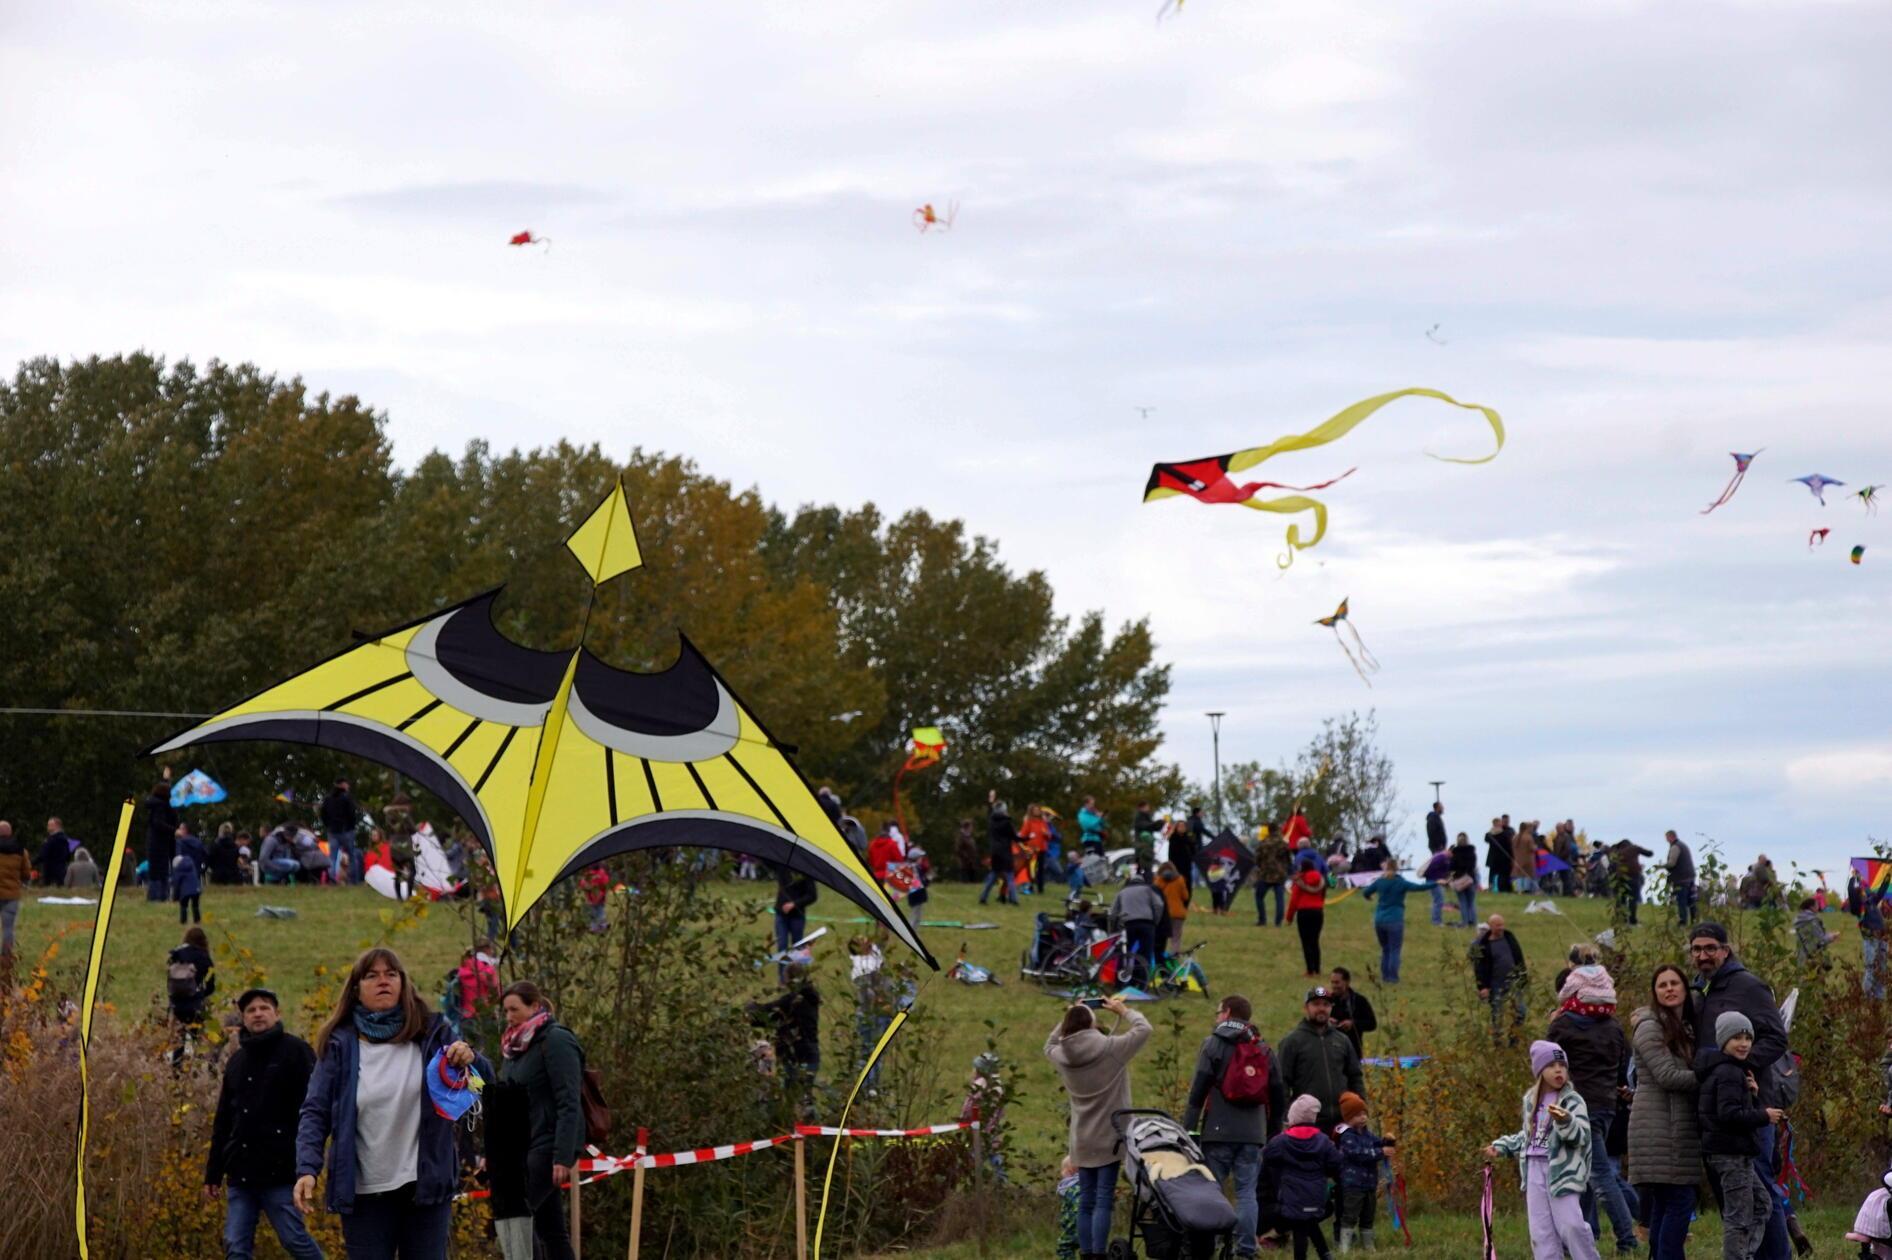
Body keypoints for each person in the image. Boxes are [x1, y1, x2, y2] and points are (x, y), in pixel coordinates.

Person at [294, 947, 483, 1256]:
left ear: (403, 983)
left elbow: (479, 1082)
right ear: (356, 990)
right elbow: (315, 1112)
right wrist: (306, 1169)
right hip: (364, 1194)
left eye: (391, 974)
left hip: (425, 1187)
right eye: (372, 976)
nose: (383, 981)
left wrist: (470, 1059)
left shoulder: (434, 1034)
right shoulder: (339, 1046)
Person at [1687, 922, 1792, 1260]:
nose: (1703, 955)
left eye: (1710, 948)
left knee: (1760, 1186)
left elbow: (1776, 1037)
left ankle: (1774, 1256)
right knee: (1731, 1193)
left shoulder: (1748, 987)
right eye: (1697, 949)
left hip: (1752, 1105)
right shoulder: (1702, 990)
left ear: (1725, 950)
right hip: (1716, 1110)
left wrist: (1740, 1065)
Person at [205, 988, 325, 1260]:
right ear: (243, 1018)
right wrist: (213, 1172)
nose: (258, 1014)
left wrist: (310, 1162)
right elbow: (224, 1119)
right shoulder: (237, 1061)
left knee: (295, 1240)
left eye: (264, 1008)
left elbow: (316, 1108)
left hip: (281, 1172)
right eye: (250, 1010)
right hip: (241, 1172)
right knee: (235, 1245)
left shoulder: (296, 1051)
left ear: (277, 1013)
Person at [1046, 995, 1151, 1260]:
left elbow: (1049, 1045)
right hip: (1110, 1135)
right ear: (1092, 1025)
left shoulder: (1063, 1055)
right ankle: (1099, 1254)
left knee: (1086, 1200)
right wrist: (1122, 1010)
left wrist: (1069, 1016)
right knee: (1104, 1198)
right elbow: (1144, 1029)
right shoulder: (1112, 1049)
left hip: (1081, 1137)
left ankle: (1087, 1254)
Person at [1180, 994, 1283, 1260]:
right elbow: (1278, 1093)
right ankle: (1245, 1250)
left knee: (1212, 1192)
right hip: (1253, 1134)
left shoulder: (1212, 1044)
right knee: (1247, 1194)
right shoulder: (1263, 1048)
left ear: (1226, 1012)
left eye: (1218, 1012)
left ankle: (1211, 1245)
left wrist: (1187, 1130)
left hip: (1218, 1132)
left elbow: (1197, 1092)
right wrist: (1271, 1130)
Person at [1547, 965, 1637, 1254]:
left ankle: (1627, 1238)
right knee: (1583, 1172)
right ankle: (1589, 1231)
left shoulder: (1562, 1026)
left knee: (1599, 1175)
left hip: (1575, 1106)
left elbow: (1548, 1065)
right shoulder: (1613, 1026)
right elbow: (1624, 1064)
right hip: (1606, 1106)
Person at [1484, 1041, 1602, 1260]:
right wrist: (1503, 1146)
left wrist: (1565, 1120)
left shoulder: (1573, 1100)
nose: (1558, 1070)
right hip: (1534, 1170)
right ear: (1540, 1070)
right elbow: (1527, 1135)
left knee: (1571, 1226)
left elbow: (1582, 1137)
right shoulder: (1531, 1100)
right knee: (1541, 1232)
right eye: (1552, 1065)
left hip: (1562, 1171)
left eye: (1562, 1065)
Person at [497, 982, 584, 1260]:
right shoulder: (514, 1047)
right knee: (551, 1230)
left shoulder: (556, 1040)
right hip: (523, 1147)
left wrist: (563, 1155)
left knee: (514, 1218)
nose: (509, 1016)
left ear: (535, 1006)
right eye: (505, 1010)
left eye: (515, 1009)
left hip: (548, 1145)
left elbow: (569, 1100)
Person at [1699, 1012, 1787, 1260]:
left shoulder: (1735, 1072)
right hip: (1729, 1153)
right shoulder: (1727, 1072)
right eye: (1737, 1037)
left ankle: (1745, 1254)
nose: (1744, 1043)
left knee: (1761, 1204)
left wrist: (1754, 1097)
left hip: (1738, 1151)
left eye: (1748, 1038)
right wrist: (1763, 1115)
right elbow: (1728, 1115)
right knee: (1738, 1216)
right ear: (1723, 1041)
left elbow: (1736, 1110)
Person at [1627, 965, 1700, 1260]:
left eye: (1674, 983)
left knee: (1664, 1204)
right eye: (1662, 985)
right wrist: (1711, 1075)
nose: (1669, 989)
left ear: (1684, 988)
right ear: (1655, 993)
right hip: (1659, 1126)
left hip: (1673, 1123)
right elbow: (1667, 1075)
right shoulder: (1650, 1027)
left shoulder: (1684, 1026)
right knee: (1680, 1201)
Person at [1261, 1094, 1341, 1260]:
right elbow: (1336, 1163)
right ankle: (1325, 1254)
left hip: (1292, 1196)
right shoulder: (1323, 1140)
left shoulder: (1282, 1141)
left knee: (1300, 1228)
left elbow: (1267, 1155)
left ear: (1293, 1117)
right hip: (1317, 1195)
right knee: (1308, 1221)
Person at [1278, 986, 1364, 1132]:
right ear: (1306, 1007)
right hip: (1308, 1122)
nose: (1321, 1009)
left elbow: (1355, 1077)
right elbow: (1282, 1082)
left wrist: (1360, 1110)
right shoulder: (1292, 1041)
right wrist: (1286, 1115)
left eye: (1326, 1004)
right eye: (1316, 1004)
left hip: (1342, 1123)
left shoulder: (1342, 1040)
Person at [749, 963, 822, 1100]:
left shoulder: (791, 1001)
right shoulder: (810, 998)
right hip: (811, 1055)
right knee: (805, 1100)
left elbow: (768, 1014)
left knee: (793, 1100)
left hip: (795, 1057)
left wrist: (750, 1008)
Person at [1334, 1091, 1393, 1253]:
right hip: (1353, 1184)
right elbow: (1358, 1154)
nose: (1363, 1117)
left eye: (1364, 1113)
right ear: (1348, 1117)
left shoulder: (1367, 1134)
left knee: (1368, 1215)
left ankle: (1368, 1244)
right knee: (1350, 1215)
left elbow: (1376, 1144)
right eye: (1358, 1115)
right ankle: (1344, 1245)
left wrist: (1386, 1142)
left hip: (1369, 1184)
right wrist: (1381, 1152)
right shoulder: (1347, 1137)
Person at [1473, 914, 1528, 1035]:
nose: (1501, 927)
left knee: (1521, 1011)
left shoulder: (1509, 938)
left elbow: (1519, 958)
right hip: (1495, 985)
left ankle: (1514, 1037)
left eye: (1502, 924)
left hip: (1514, 983)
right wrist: (1483, 987)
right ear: (1491, 926)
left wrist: (1523, 977)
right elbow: (1479, 968)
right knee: (1497, 1015)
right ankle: (1497, 1042)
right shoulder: (1483, 945)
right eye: (1498, 925)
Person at [1361, 858, 1413, 983]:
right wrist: (1436, 883)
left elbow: (1366, 892)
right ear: (1397, 868)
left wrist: (1368, 897)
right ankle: (1393, 977)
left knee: (1385, 949)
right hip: (1395, 920)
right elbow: (1420, 887)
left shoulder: (1380, 881)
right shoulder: (1401, 883)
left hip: (1379, 920)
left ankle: (1385, 976)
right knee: (1395, 949)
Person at [168, 925, 216, 1056]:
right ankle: (195, 1070)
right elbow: (211, 986)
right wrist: (202, 994)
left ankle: (176, 1072)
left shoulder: (176, 954)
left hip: (176, 1004)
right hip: (196, 1005)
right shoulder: (204, 957)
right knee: (197, 1042)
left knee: (178, 1042)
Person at [1111, 871, 1166, 978]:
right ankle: (1143, 980)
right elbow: (1159, 904)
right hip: (1147, 924)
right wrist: (1156, 920)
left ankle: (1128, 979)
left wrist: (1115, 926)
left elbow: (1113, 912)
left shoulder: (1123, 892)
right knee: (1146, 953)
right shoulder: (1148, 890)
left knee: (1129, 953)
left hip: (1129, 925)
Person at [772, 863, 817, 985]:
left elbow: (812, 896)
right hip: (781, 914)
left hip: (797, 916)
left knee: (798, 947)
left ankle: (800, 979)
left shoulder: (805, 871)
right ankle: (783, 980)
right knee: (782, 946)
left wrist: (794, 904)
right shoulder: (781, 865)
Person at [1286, 857, 1327, 977]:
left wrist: (1289, 917)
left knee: (1306, 942)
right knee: (1315, 941)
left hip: (1304, 912)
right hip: (1317, 912)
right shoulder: (1320, 879)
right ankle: (1318, 970)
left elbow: (1294, 900)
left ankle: (1310, 970)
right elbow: (1323, 895)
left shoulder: (1300, 880)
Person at [1327, 968, 1378, 1060]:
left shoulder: (1359, 1001)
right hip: (1330, 1050)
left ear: (1347, 982)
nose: (1334, 986)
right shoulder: (1326, 1001)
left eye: (1337, 982)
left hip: (1353, 1050)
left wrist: (1353, 1024)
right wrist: (1326, 1022)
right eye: (1332, 982)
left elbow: (1372, 1024)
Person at [321, 779, 362, 885]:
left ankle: (332, 879)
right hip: (346, 831)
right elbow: (352, 814)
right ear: (343, 785)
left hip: (332, 831)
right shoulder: (346, 798)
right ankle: (352, 881)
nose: (348, 786)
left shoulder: (328, 798)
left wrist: (328, 826)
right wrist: (351, 827)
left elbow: (323, 815)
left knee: (333, 857)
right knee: (351, 856)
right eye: (347, 784)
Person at [145, 770, 178, 902]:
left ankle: (156, 896)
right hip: (160, 844)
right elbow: (159, 824)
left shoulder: (156, 804)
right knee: (161, 872)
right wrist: (174, 830)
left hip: (156, 843)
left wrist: (166, 779)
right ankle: (159, 897)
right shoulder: (160, 806)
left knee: (157, 871)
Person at [0, 822, 32, 956]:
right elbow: (26, 873)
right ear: (10, 832)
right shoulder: (20, 851)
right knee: (8, 928)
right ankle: (6, 956)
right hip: (11, 895)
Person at [981, 796, 1018, 906]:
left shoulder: (992, 822)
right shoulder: (1007, 823)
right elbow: (1013, 836)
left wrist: (991, 801)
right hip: (1005, 852)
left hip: (995, 851)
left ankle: (983, 897)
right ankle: (1013, 898)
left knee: (993, 876)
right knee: (1010, 876)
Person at [1254, 827, 1292, 928]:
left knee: (1259, 897)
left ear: (1269, 832)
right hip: (1279, 874)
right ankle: (1278, 922)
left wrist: (1260, 866)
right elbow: (1288, 860)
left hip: (1265, 874)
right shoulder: (1283, 844)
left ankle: (1262, 920)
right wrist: (1287, 870)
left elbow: (1257, 859)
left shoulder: (1263, 843)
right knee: (1279, 899)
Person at [173, 822, 209, 925]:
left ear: (184, 830)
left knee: (183, 902)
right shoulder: (198, 842)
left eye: (180, 828)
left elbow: (178, 857)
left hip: (183, 874)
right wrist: (204, 868)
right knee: (195, 902)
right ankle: (197, 920)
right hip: (196, 873)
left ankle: (183, 921)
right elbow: (206, 855)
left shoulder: (180, 842)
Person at [1153, 861, 1191, 952]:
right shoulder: (1180, 880)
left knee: (1162, 937)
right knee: (1176, 937)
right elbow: (1185, 896)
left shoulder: (1157, 881)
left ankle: (1160, 955)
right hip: (1178, 913)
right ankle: (1174, 956)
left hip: (1163, 914)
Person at [1662, 831, 1696, 926]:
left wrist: (1661, 866)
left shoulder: (1675, 847)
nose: (1666, 840)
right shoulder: (1684, 845)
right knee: (1691, 901)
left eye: (1667, 838)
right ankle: (1694, 920)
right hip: (1690, 877)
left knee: (1682, 901)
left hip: (1681, 878)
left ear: (1670, 837)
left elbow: (1672, 863)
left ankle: (1683, 922)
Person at [1792, 897, 1837, 969]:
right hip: (1815, 958)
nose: (1818, 907)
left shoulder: (1798, 920)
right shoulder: (1813, 921)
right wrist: (1831, 937)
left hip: (1802, 957)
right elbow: (1820, 940)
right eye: (1817, 905)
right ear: (1812, 907)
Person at [1449, 832, 1480, 927]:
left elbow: (1452, 866)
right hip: (1470, 878)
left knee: (1462, 902)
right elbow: (1473, 865)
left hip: (1459, 879)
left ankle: (1465, 922)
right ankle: (1473, 921)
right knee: (1471, 902)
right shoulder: (1472, 852)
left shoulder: (1455, 852)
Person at [37, 816, 76, 890]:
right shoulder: (66, 839)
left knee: (48, 890)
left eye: (49, 825)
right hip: (61, 869)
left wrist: (33, 862)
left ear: (57, 826)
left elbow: (43, 854)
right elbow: (68, 855)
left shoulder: (52, 840)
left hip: (50, 871)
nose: (47, 827)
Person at [1174, 806, 1205, 891]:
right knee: (1196, 865)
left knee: (1194, 865)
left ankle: (1194, 882)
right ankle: (1194, 882)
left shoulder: (1189, 821)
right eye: (1201, 812)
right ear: (1197, 813)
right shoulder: (1196, 822)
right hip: (1196, 847)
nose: (1203, 814)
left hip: (1192, 847)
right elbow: (1203, 831)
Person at [1485, 818, 1514, 895]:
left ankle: (1494, 887)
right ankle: (1498, 887)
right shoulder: (1502, 834)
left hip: (1496, 858)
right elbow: (1508, 846)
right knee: (1500, 874)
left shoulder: (1491, 834)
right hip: (1501, 858)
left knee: (1495, 874)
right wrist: (1511, 856)